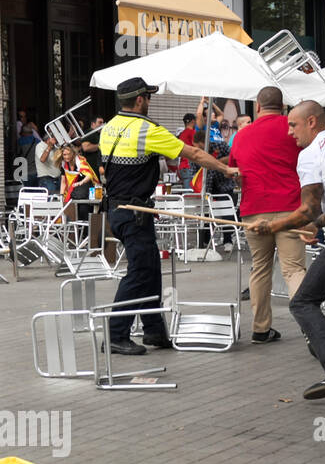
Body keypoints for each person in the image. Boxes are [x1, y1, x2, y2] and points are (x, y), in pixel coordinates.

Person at [100, 77, 239, 356]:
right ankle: (116, 334)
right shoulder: (146, 129)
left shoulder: (109, 127)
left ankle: (154, 331)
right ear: (140, 100)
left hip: (118, 209)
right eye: (149, 97)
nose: (150, 102)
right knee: (140, 272)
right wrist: (228, 171)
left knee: (150, 269)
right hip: (135, 211)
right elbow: (195, 154)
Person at [249, 102, 325, 401]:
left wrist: (273, 226)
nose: (290, 132)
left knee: (303, 301)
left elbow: (308, 207)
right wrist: (317, 224)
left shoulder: (310, 154)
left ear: (312, 122)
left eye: (294, 125)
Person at [227, 87, 305, 344]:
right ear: (283, 106)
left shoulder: (241, 136)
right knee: (293, 269)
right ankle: (310, 327)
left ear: (257, 107)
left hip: (253, 209)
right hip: (291, 208)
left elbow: (234, 170)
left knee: (260, 268)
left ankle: (261, 329)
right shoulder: (294, 126)